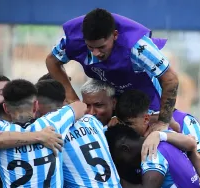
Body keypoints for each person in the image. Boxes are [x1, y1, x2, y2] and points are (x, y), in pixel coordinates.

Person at [46, 8, 179, 127]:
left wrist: (163, 122)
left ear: (115, 35)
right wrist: (72, 99)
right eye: (90, 47)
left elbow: (171, 79)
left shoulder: (138, 47)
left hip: (146, 98)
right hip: (112, 97)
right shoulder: (71, 41)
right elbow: (52, 61)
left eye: (101, 47)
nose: (96, 53)